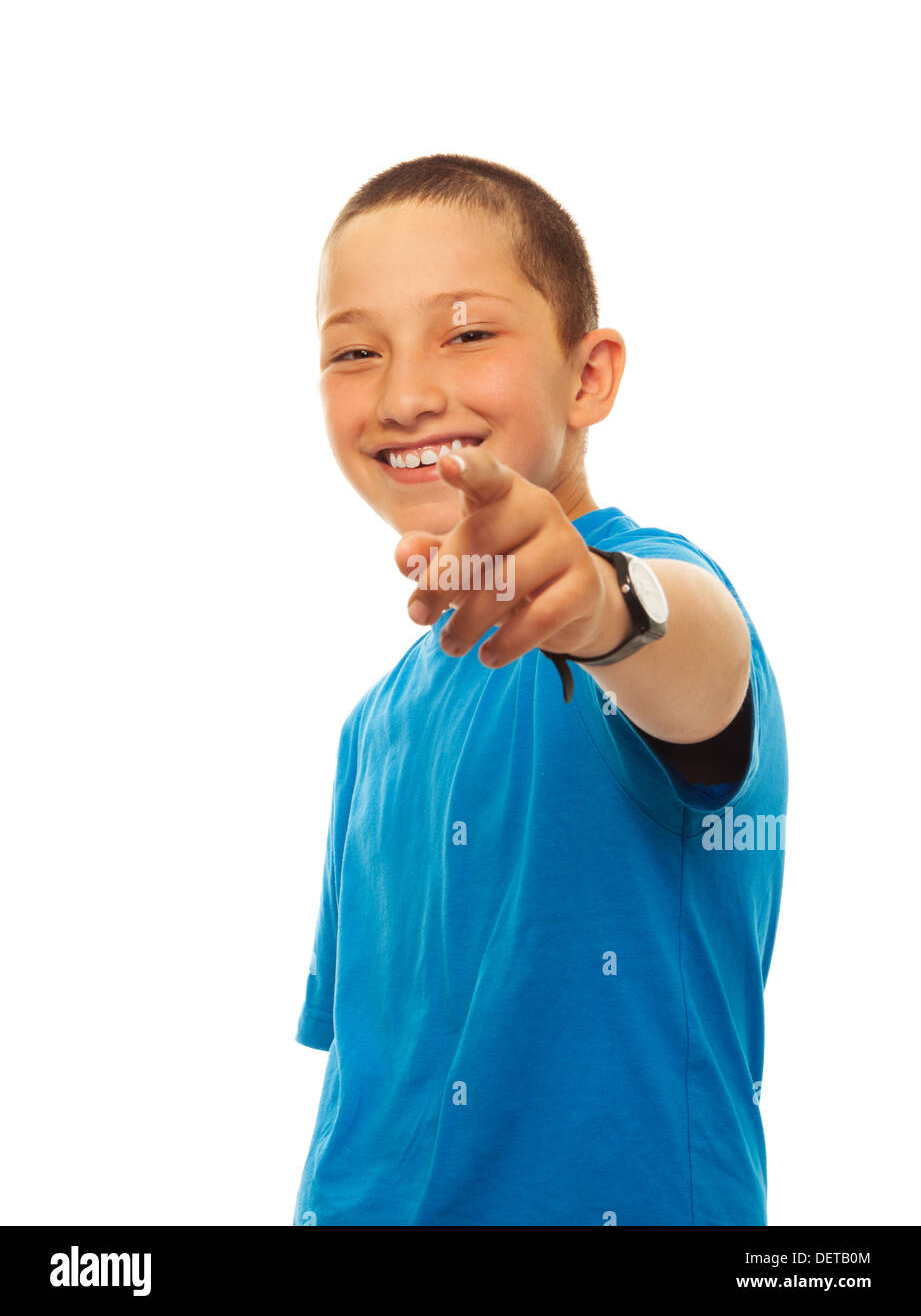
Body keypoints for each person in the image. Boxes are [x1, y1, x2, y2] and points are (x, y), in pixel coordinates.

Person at [292, 154, 787, 1226]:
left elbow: (695, 667)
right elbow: (369, 1089)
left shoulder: (646, 594)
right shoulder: (371, 726)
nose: (405, 392)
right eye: (353, 351)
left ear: (589, 375)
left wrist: (604, 606)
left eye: (467, 333)